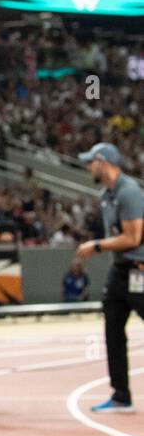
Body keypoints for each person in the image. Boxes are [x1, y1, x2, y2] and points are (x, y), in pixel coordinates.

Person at [75, 142, 142, 413]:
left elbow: (133, 237)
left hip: (139, 268)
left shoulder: (129, 192)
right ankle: (120, 396)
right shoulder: (107, 195)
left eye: (91, 162)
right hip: (120, 270)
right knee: (112, 330)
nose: (88, 167)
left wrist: (97, 246)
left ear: (103, 162)